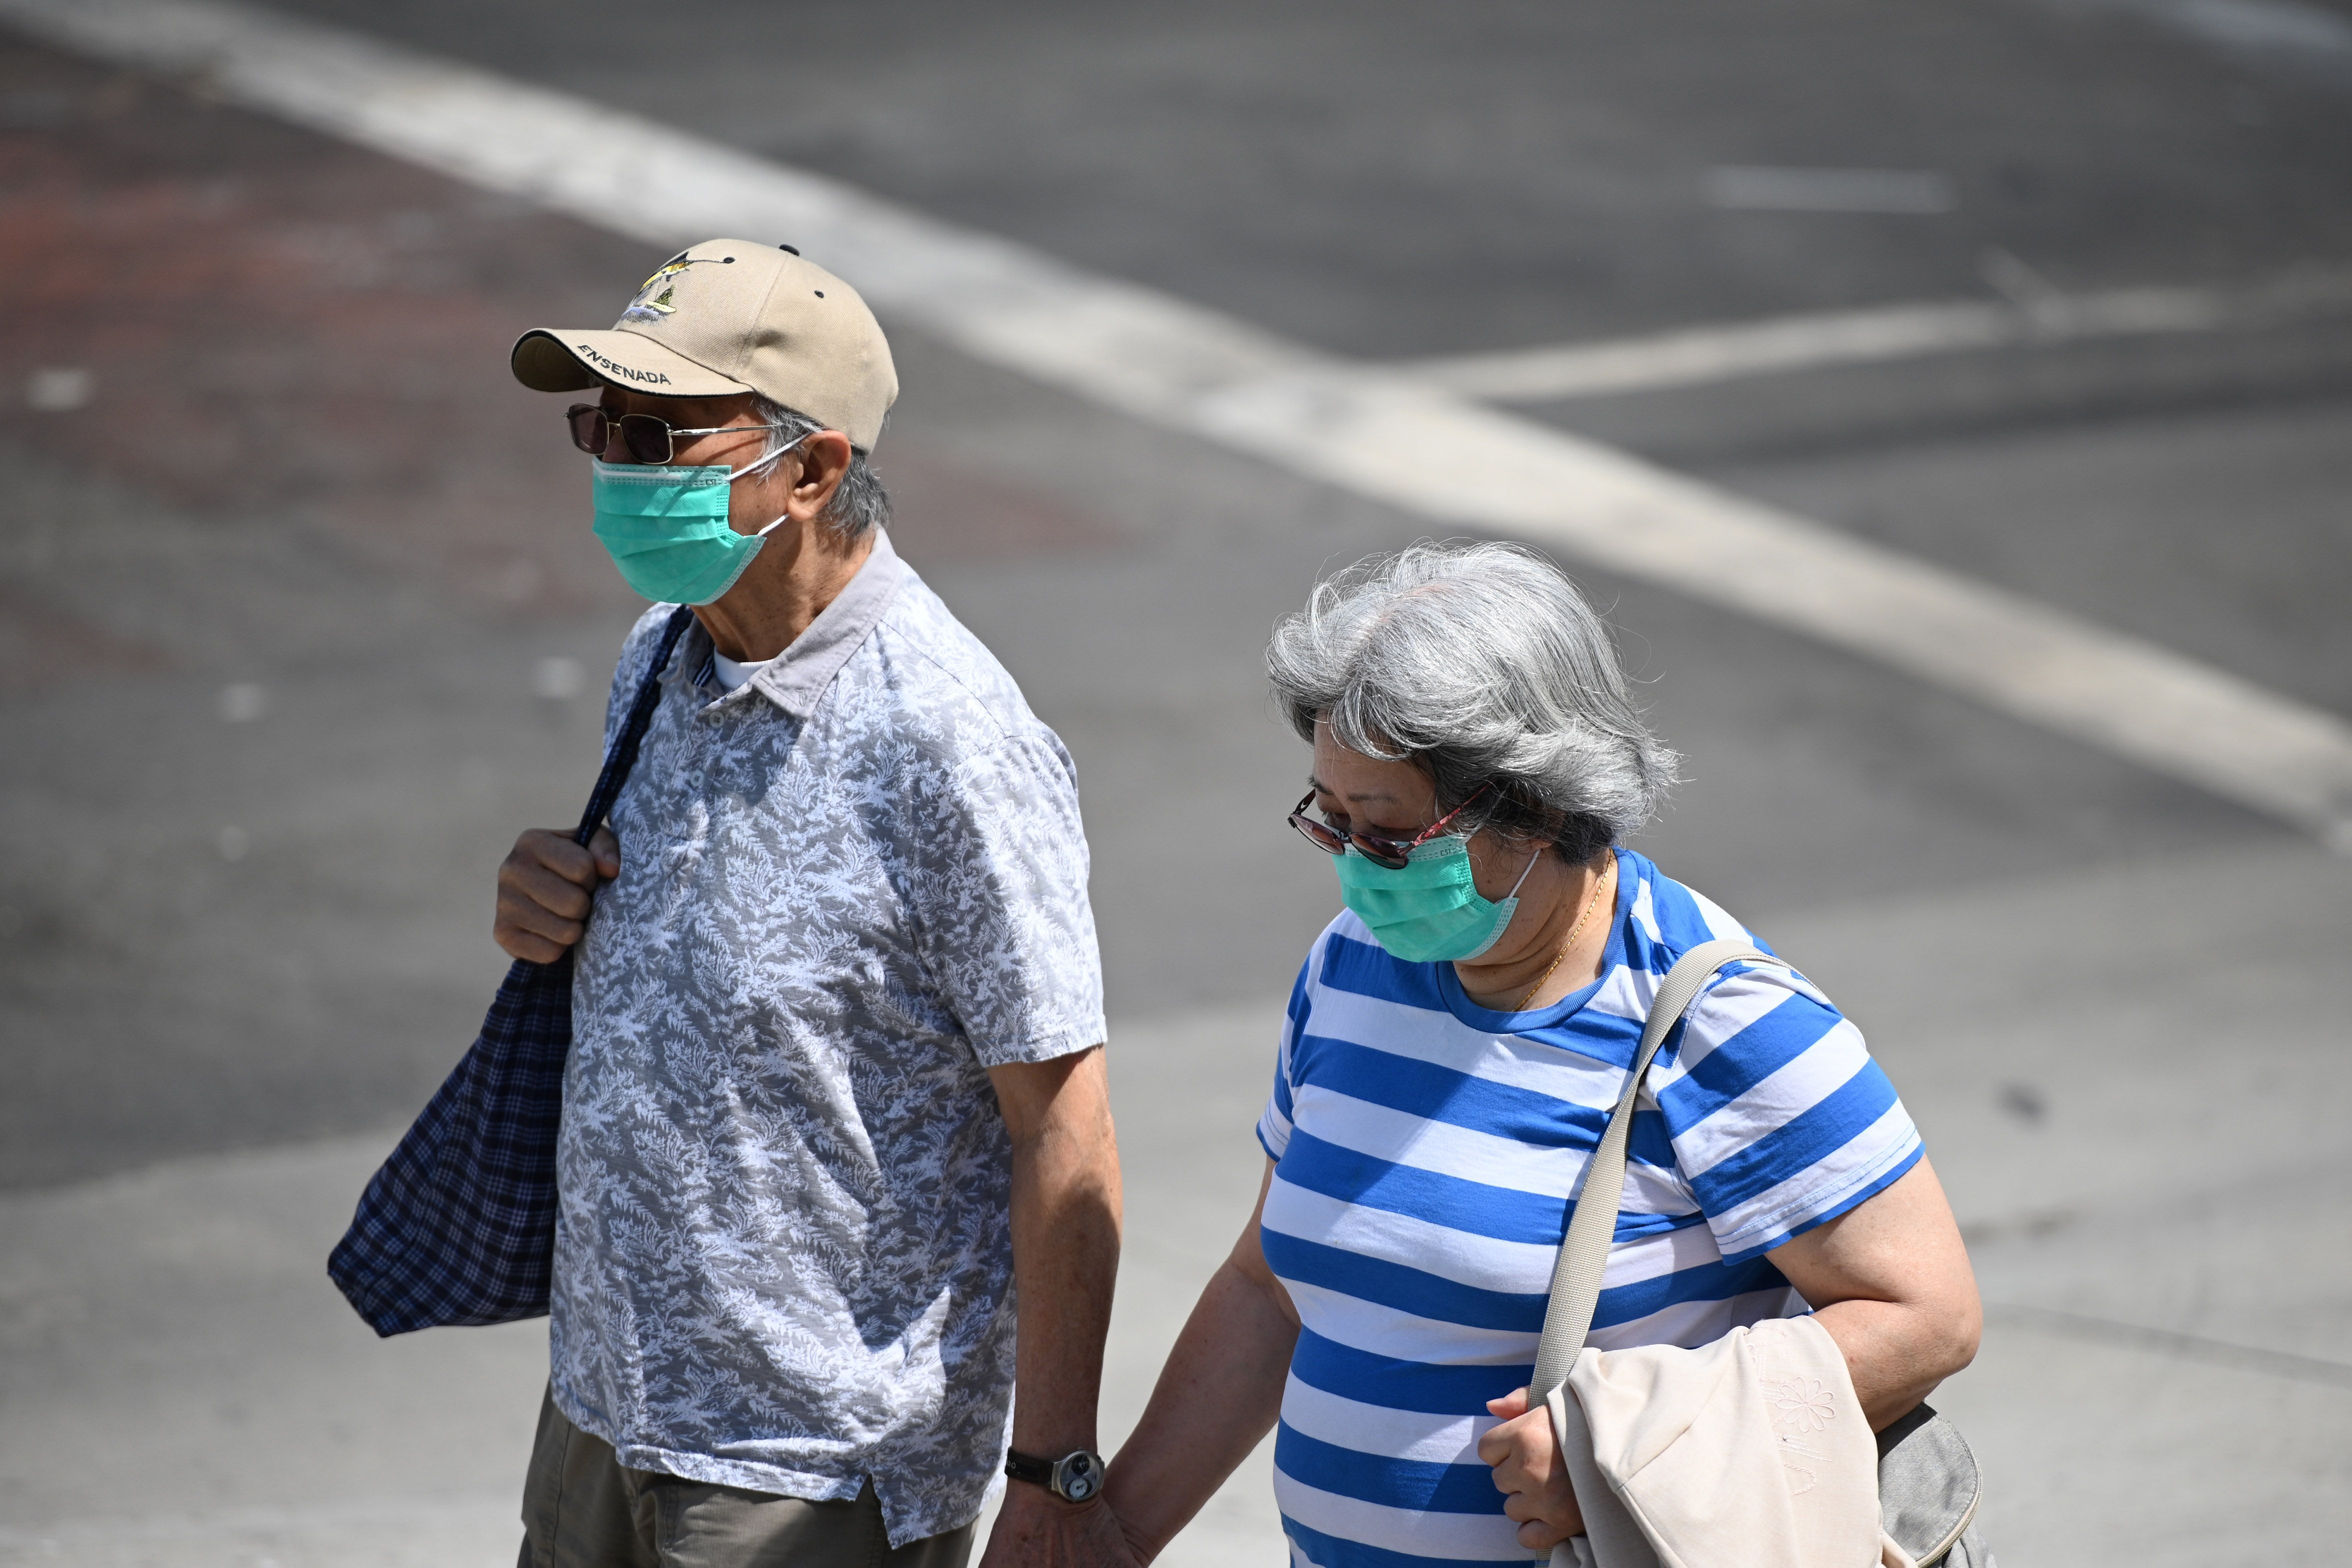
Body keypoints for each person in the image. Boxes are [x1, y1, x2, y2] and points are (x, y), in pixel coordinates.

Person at [1098, 542, 1981, 1567]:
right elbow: (1269, 1285)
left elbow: (1929, 1316)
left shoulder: (1721, 1017)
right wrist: (1107, 1536)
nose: (1353, 870)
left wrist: (1622, 1448)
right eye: (1327, 820)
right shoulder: (1348, 971)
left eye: (1386, 834)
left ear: (1540, 804)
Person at [492, 239, 1131, 1568]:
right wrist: (547, 900)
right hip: (604, 1416)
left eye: (661, 433)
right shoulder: (665, 651)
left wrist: (1052, 1477)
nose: (617, 465)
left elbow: (1064, 1134)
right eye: (601, 426)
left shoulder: (949, 738)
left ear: (814, 468)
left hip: (806, 1480)